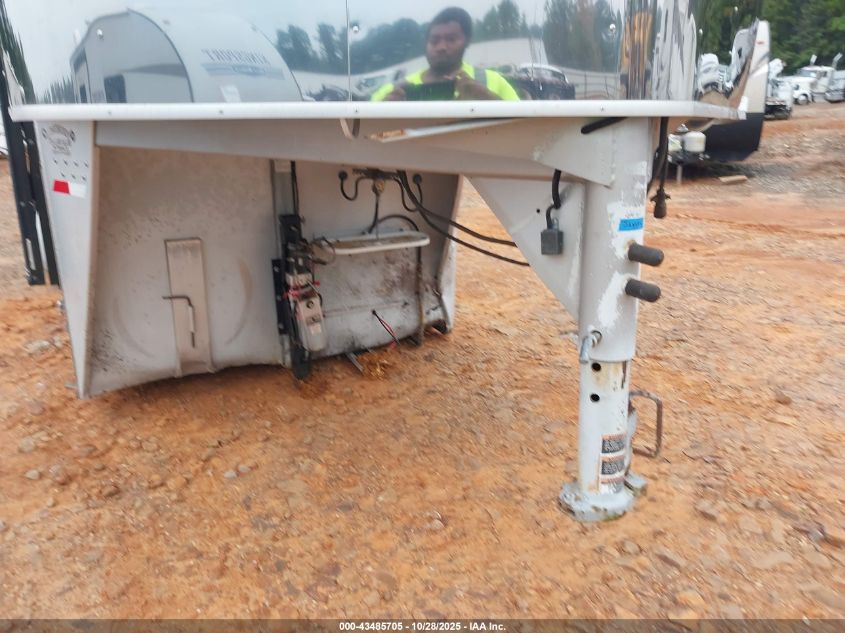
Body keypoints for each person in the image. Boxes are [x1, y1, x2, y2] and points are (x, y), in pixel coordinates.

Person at [371, 7, 519, 102]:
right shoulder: (391, 91)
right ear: (426, 44)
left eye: (451, 39)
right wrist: (385, 114)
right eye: (434, 41)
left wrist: (487, 99)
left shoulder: (494, 82)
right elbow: (364, 136)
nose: (441, 47)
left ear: (467, 41)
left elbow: (523, 130)